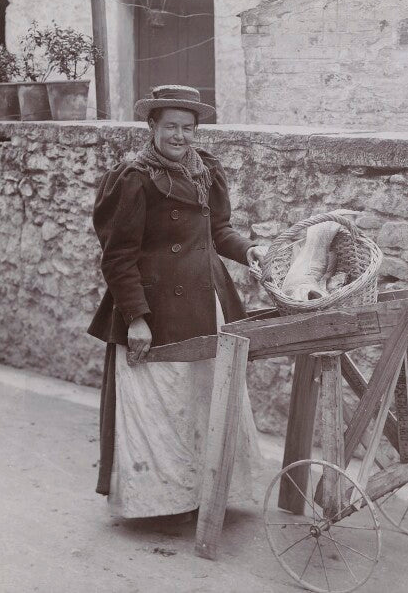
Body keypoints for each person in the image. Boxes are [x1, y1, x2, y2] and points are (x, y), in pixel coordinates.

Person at [87, 85, 267, 519]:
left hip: (207, 304)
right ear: (152, 126)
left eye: (188, 128)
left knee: (208, 396)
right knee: (163, 404)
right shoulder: (132, 177)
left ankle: (208, 492)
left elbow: (217, 230)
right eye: (171, 127)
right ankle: (163, 501)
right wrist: (136, 319)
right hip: (156, 310)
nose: (180, 137)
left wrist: (248, 251)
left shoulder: (207, 170)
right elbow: (117, 257)